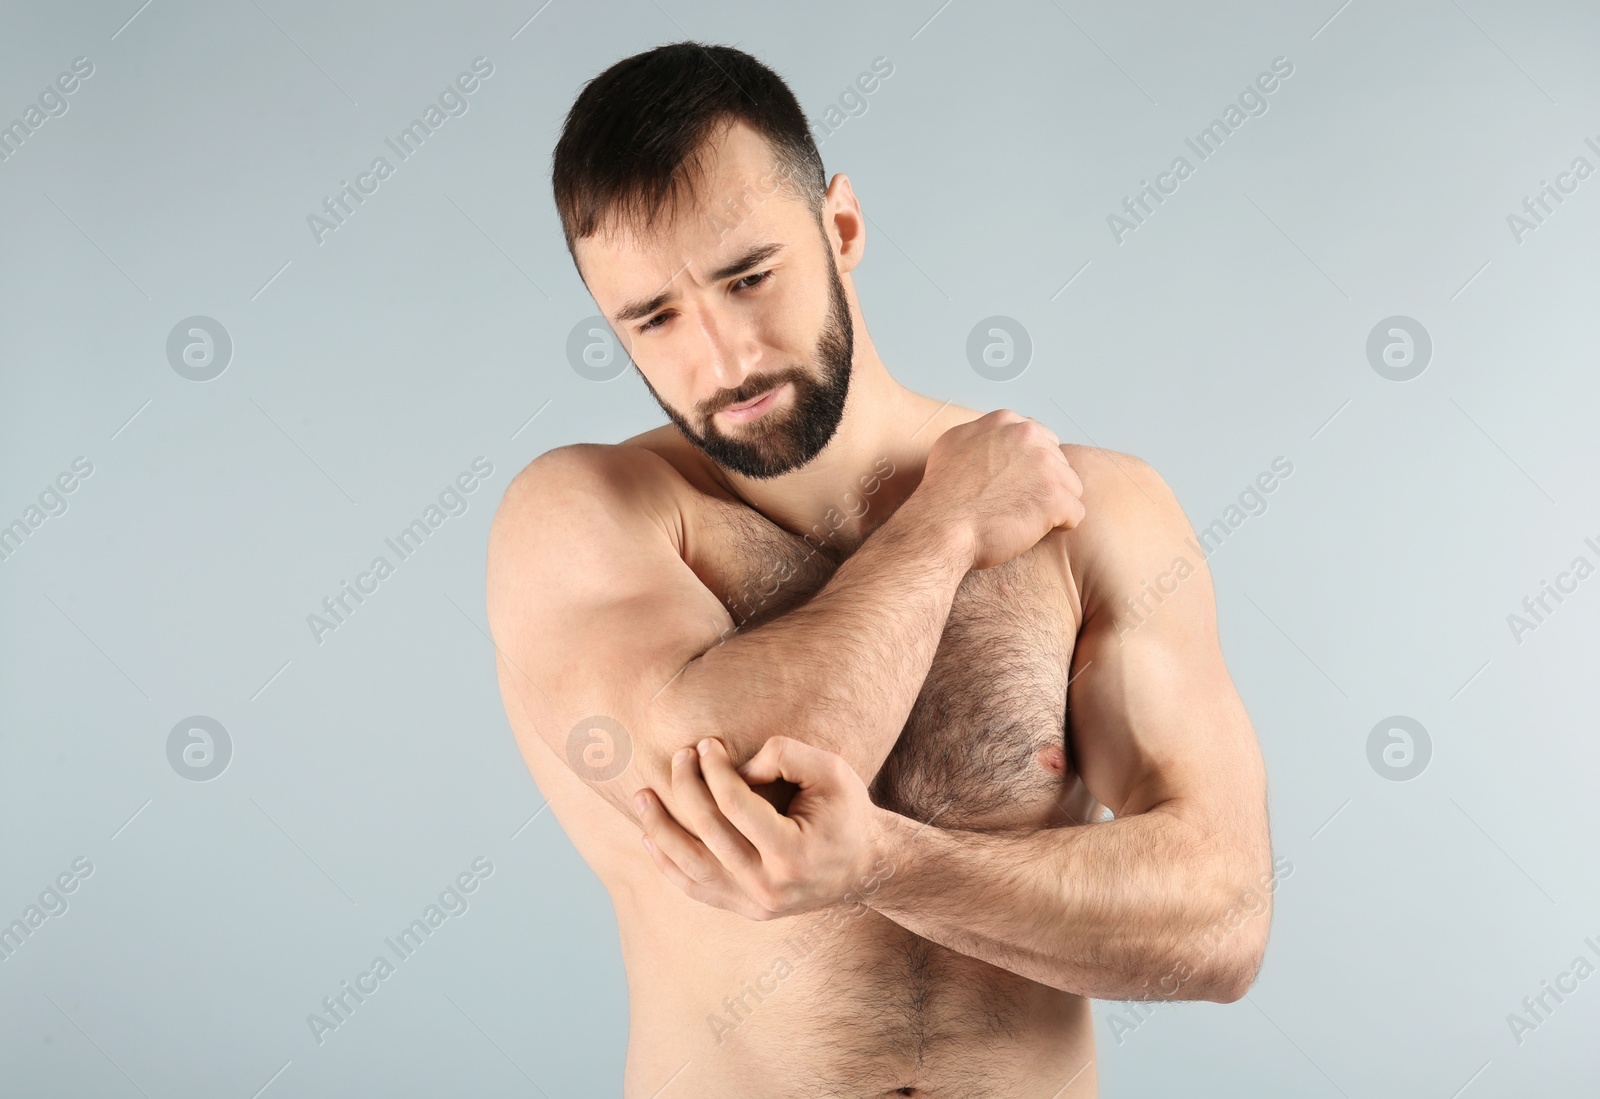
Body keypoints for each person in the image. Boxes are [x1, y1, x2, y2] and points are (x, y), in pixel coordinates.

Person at [486, 41, 1273, 1099]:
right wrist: (942, 527)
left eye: (748, 277)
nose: (722, 360)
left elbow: (1221, 920)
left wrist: (894, 866)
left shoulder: (1092, 510)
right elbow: (758, 815)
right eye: (655, 318)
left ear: (841, 227)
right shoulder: (586, 520)